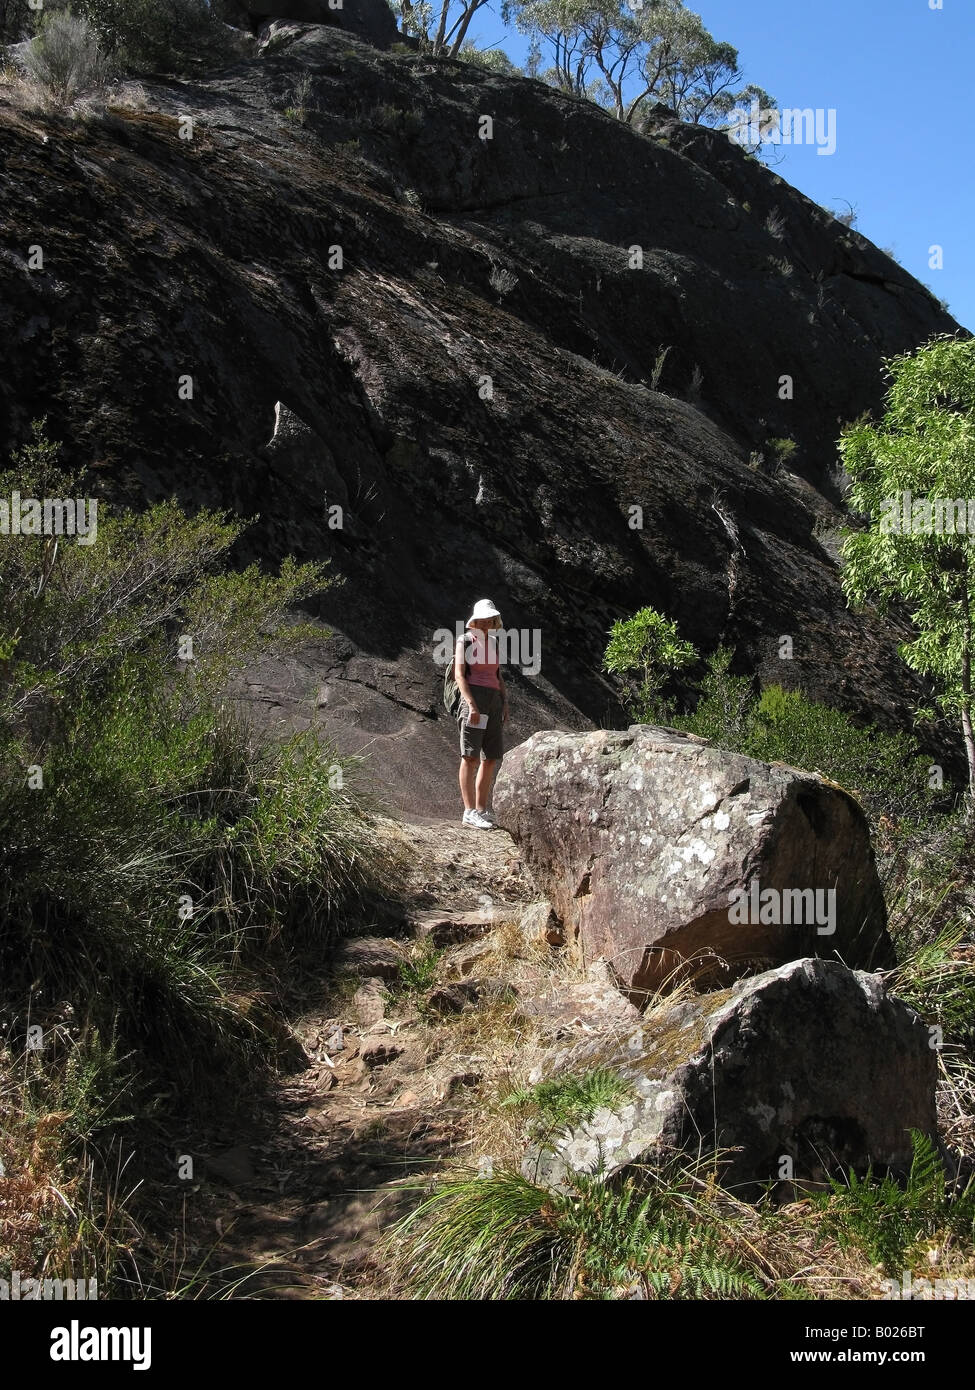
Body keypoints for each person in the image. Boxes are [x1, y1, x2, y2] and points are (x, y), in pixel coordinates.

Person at [455, 599, 509, 829]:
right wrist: (472, 704)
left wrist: (505, 703)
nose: (486, 623)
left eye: (490, 620)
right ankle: (469, 811)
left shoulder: (495, 643)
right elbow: (459, 675)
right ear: (475, 620)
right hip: (474, 699)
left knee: (491, 757)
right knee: (470, 756)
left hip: (494, 700)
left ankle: (481, 810)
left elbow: (499, 677)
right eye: (483, 619)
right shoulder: (465, 640)